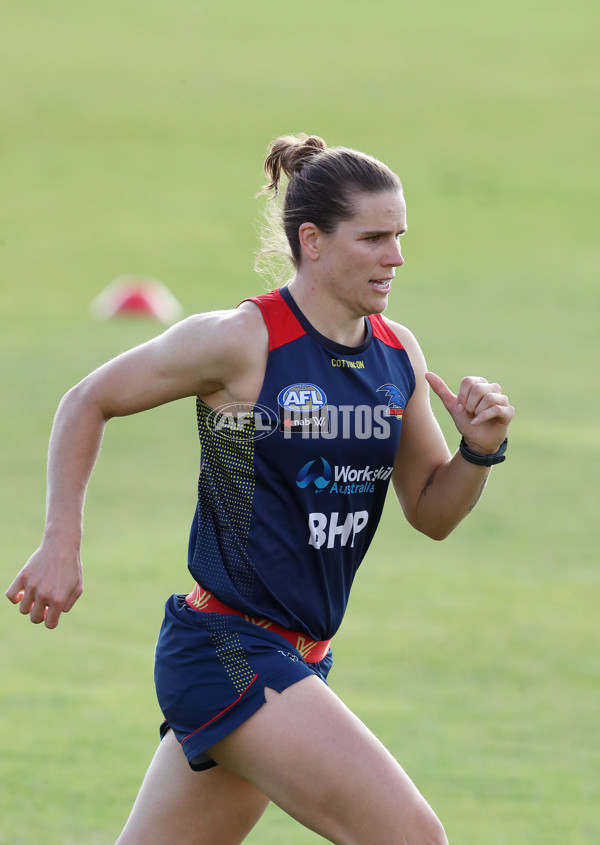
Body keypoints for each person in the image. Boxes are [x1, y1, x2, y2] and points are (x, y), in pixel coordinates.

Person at [6, 133, 514, 845]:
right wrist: (61, 539)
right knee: (411, 838)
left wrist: (478, 451)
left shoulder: (397, 353)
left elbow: (431, 510)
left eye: (399, 236)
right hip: (229, 648)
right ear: (312, 239)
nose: (395, 257)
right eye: (373, 238)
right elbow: (86, 400)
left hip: (300, 656)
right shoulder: (244, 341)